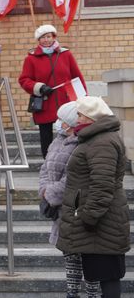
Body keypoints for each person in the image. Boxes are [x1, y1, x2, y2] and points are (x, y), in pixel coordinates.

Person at [57, 96, 130, 298]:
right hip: (99, 224)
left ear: (91, 118)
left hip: (101, 223)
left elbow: (102, 185)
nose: (77, 119)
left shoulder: (101, 142)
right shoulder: (96, 138)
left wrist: (88, 216)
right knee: (104, 275)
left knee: (107, 277)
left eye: (80, 115)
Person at [39, 101, 100, 297]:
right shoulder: (58, 139)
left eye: (62, 120)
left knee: (86, 255)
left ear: (72, 123)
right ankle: (72, 292)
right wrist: (44, 190)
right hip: (59, 209)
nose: (58, 123)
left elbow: (73, 178)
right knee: (69, 253)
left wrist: (51, 193)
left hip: (75, 205)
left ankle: (91, 293)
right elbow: (45, 168)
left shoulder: (82, 143)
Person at [18, 24, 86, 158]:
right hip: (45, 104)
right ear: (39, 40)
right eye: (43, 38)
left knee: (70, 134)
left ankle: (70, 161)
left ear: (54, 37)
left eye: (48, 36)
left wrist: (84, 98)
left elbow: (77, 77)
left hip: (66, 102)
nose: (46, 40)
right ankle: (48, 163)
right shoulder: (31, 58)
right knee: (46, 138)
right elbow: (24, 80)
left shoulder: (66, 55)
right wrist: (39, 87)